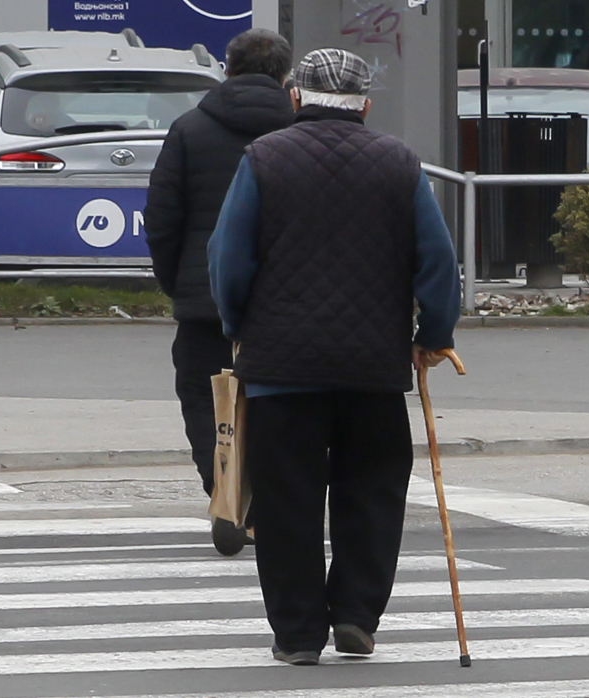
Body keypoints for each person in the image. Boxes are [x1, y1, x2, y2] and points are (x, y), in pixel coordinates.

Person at [208, 48, 461, 666]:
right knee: (372, 492)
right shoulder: (400, 163)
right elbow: (437, 260)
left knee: (286, 501)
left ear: (295, 97)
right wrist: (433, 331)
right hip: (373, 368)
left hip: (281, 369)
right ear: (365, 105)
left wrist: (238, 324)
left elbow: (228, 256)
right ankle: (355, 614)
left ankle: (298, 635)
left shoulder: (263, 159)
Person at [144, 29, 294, 555]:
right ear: (285, 75)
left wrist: (179, 283)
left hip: (205, 300)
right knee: (282, 403)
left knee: (204, 398)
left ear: (226, 69)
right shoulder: (301, 130)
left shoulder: (189, 129)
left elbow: (162, 218)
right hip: (285, 302)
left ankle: (225, 492)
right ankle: (269, 502)